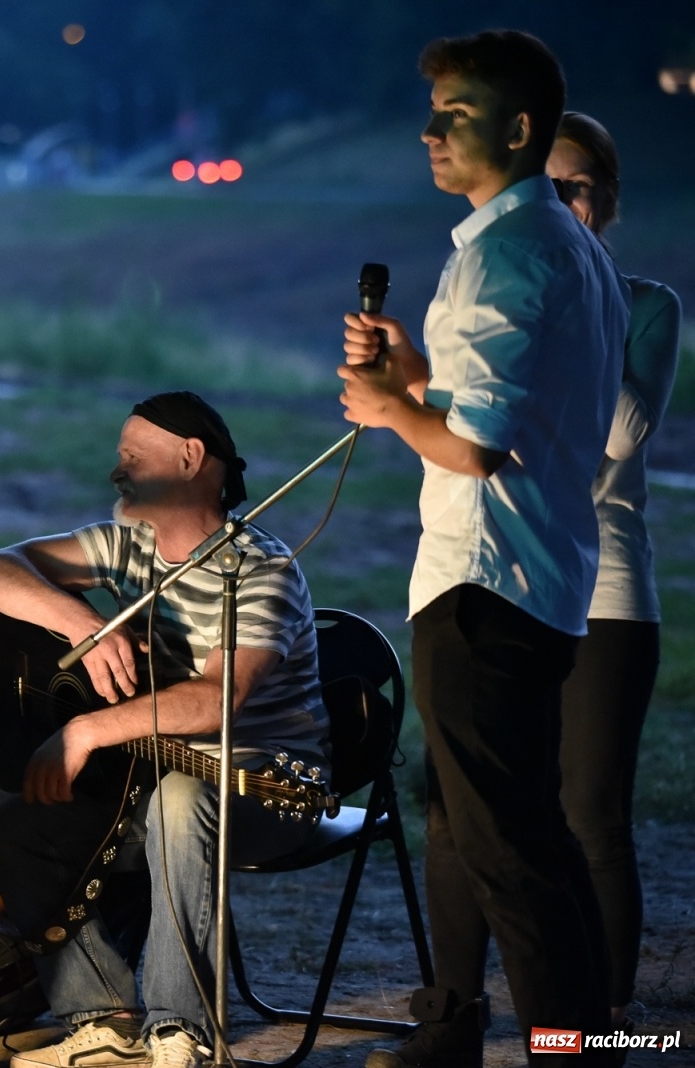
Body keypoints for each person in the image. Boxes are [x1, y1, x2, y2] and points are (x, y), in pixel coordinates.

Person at [337, 32, 629, 1067]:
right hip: (535, 578)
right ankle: (478, 1035)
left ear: (515, 129)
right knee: (483, 830)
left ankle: (570, 1051)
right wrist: (414, 381)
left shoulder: (506, 252)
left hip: (484, 584)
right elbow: (498, 409)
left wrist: (385, 408)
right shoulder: (564, 244)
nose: (428, 132)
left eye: (453, 114)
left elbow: (476, 447)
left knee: (514, 852)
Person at [0, 392, 329, 1068]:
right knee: (17, 815)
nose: (117, 470)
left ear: (192, 460)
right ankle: (101, 1018)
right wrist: (76, 622)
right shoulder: (126, 546)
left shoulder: (261, 569)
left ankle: (179, 1033)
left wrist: (85, 732)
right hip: (154, 769)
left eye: (133, 457)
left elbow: (217, 701)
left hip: (262, 783)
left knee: (180, 801)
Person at [428, 112, 680, 1034]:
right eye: (553, 186)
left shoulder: (641, 300)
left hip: (606, 584)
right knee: (459, 812)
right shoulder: (509, 279)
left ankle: (600, 1024)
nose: (565, 204)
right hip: (503, 577)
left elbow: (621, 433)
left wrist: (583, 300)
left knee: (588, 814)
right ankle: (449, 1011)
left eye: (582, 189)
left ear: (608, 201)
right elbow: (457, 420)